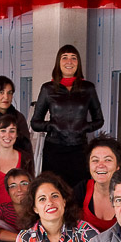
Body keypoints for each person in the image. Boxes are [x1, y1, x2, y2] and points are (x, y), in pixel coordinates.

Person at [31, 45, 104, 185]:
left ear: (78, 63)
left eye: (73, 58)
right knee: (54, 189)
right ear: (58, 62)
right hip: (54, 150)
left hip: (79, 149)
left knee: (79, 190)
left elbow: (99, 120)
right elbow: (35, 123)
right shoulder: (47, 89)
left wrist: (84, 127)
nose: (69, 61)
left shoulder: (88, 88)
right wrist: (52, 125)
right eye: (64, 57)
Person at [72, 135, 121, 231]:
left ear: (117, 166)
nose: (101, 165)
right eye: (95, 160)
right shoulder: (82, 190)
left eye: (108, 160)